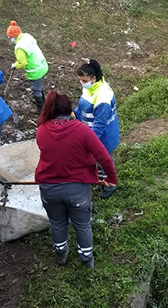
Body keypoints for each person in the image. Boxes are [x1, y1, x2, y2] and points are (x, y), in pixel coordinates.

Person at [35, 91, 117, 267]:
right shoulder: (81, 130)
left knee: (57, 223)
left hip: (49, 189)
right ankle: (87, 260)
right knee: (82, 225)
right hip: (77, 190)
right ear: (69, 109)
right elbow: (103, 157)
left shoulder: (42, 129)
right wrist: (111, 177)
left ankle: (61, 254)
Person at [73, 59, 120, 199]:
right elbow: (82, 105)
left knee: (104, 159)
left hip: (103, 136)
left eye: (84, 80)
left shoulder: (103, 96)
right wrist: (73, 114)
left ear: (93, 78)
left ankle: (110, 184)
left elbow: (100, 124)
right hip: (92, 133)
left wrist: (88, 142)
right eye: (80, 79)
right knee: (96, 160)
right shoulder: (91, 87)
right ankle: (100, 178)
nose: (82, 82)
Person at [6, 20, 49, 112]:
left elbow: (22, 64)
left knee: (36, 90)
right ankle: (44, 104)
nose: (10, 39)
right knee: (39, 87)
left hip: (35, 71)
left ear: (13, 36)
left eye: (10, 37)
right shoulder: (27, 36)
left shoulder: (20, 47)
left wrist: (15, 65)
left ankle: (41, 110)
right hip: (42, 65)